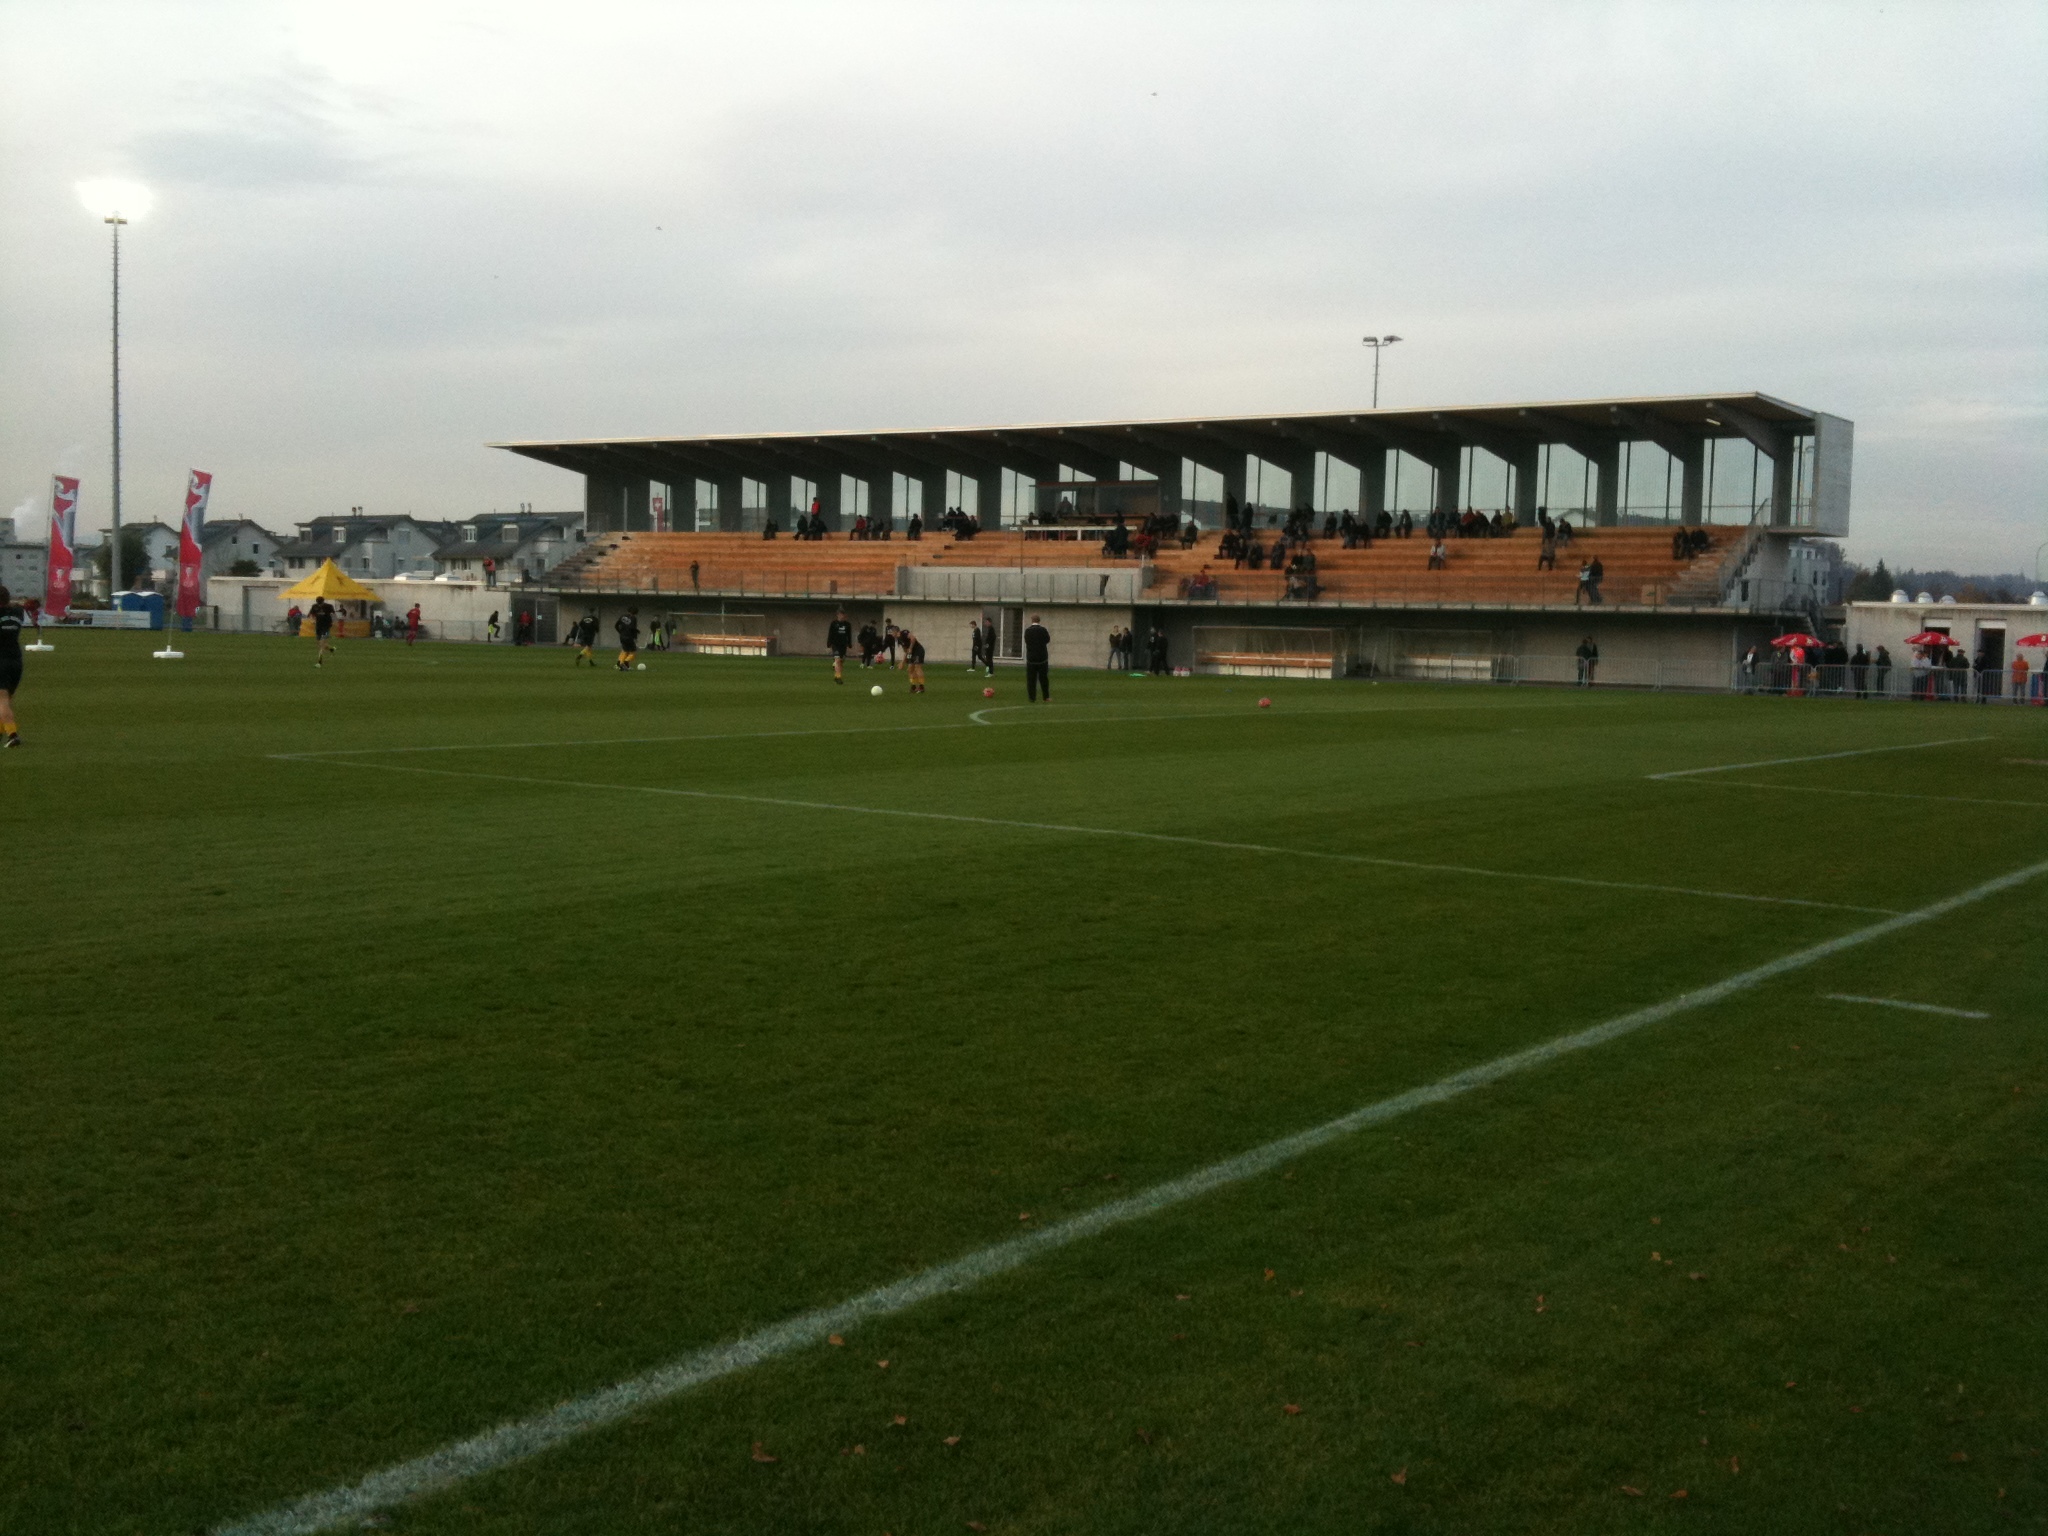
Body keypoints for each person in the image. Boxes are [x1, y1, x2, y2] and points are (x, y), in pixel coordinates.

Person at [0, 585, 25, 747]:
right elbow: (19, 605)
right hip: (16, 661)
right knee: (5, 701)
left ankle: (12, 734)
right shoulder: (18, 613)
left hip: (0, 660)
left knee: (2, 700)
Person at [1023, 613, 1052, 702]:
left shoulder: (1027, 631)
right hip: (1042, 658)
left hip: (1031, 658)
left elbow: (1026, 641)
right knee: (1043, 679)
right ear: (1039, 621)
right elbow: (1047, 640)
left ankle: (1032, 698)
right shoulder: (1043, 630)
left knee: (1031, 679)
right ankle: (1046, 697)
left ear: (1032, 620)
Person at [826, 607, 853, 683]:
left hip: (843, 645)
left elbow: (849, 635)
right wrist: (829, 643)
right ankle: (838, 677)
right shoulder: (834, 624)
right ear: (837, 615)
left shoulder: (847, 625)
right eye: (840, 614)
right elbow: (830, 633)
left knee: (841, 661)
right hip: (835, 645)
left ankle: (836, 675)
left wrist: (849, 643)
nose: (842, 616)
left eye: (843, 615)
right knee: (837, 660)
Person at [310, 596, 337, 666]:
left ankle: (319, 661)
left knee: (322, 643)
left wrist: (333, 622)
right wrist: (312, 620)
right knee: (320, 643)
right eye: (318, 604)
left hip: (326, 626)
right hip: (318, 626)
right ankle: (331, 649)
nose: (319, 605)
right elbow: (312, 614)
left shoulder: (329, 606)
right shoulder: (314, 606)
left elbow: (333, 614)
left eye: (320, 604)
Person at [904, 627, 927, 693]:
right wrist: (903, 661)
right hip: (912, 653)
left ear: (896, 632)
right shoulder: (899, 640)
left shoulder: (904, 633)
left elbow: (913, 638)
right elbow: (906, 651)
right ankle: (913, 686)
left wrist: (910, 648)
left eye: (892, 632)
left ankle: (921, 687)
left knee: (917, 667)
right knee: (910, 669)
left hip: (918, 651)